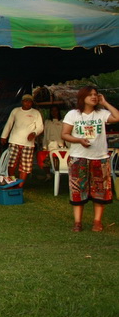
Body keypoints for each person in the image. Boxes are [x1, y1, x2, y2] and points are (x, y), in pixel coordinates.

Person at [61, 86, 119, 232]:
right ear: (82, 97)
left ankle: (97, 222)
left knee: (100, 190)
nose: (94, 97)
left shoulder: (102, 113)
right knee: (77, 190)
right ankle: (77, 222)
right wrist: (79, 140)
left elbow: (117, 117)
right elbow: (65, 134)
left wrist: (105, 103)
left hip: (100, 158)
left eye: (95, 94)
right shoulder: (73, 114)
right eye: (90, 95)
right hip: (78, 157)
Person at [0, 94, 44, 185]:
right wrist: (4, 136)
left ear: (32, 103)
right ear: (22, 102)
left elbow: (40, 127)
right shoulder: (15, 111)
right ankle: (12, 182)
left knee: (25, 166)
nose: (27, 103)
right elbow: (9, 124)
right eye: (25, 101)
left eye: (29, 101)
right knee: (11, 164)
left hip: (28, 143)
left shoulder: (36, 113)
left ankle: (20, 185)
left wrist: (34, 133)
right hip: (14, 140)